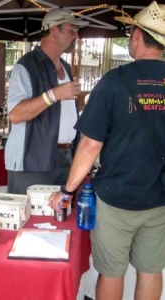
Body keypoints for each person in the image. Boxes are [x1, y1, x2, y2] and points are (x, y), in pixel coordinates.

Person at [49, 2, 165, 299]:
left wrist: (67, 191)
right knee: (151, 270)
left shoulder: (115, 82)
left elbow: (89, 145)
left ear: (138, 36)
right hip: (160, 197)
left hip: (117, 198)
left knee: (111, 272)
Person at [5, 8, 89, 194]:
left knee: (58, 219)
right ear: (53, 31)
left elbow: (60, 111)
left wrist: (81, 102)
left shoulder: (65, 67)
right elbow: (16, 114)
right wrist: (54, 95)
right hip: (33, 161)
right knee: (28, 217)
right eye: (71, 30)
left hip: (65, 158)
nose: (76, 36)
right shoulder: (25, 66)